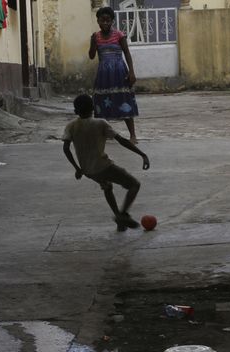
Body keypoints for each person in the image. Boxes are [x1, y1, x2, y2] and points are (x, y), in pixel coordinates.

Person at [63, 94, 150, 231]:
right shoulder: (100, 123)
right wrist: (142, 154)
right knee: (134, 185)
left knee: (107, 186)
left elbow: (66, 148)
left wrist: (77, 168)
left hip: (88, 171)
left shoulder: (71, 126)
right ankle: (122, 214)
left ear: (75, 111)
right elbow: (121, 140)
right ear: (93, 108)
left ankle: (119, 221)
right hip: (104, 166)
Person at [89, 6, 140, 144]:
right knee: (101, 103)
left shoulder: (119, 35)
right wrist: (93, 42)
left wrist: (131, 72)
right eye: (102, 20)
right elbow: (91, 56)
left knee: (124, 100)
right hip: (104, 75)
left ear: (112, 21)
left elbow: (127, 54)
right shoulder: (96, 37)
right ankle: (102, 133)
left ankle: (133, 135)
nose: (105, 23)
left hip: (119, 72)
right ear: (98, 21)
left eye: (108, 20)